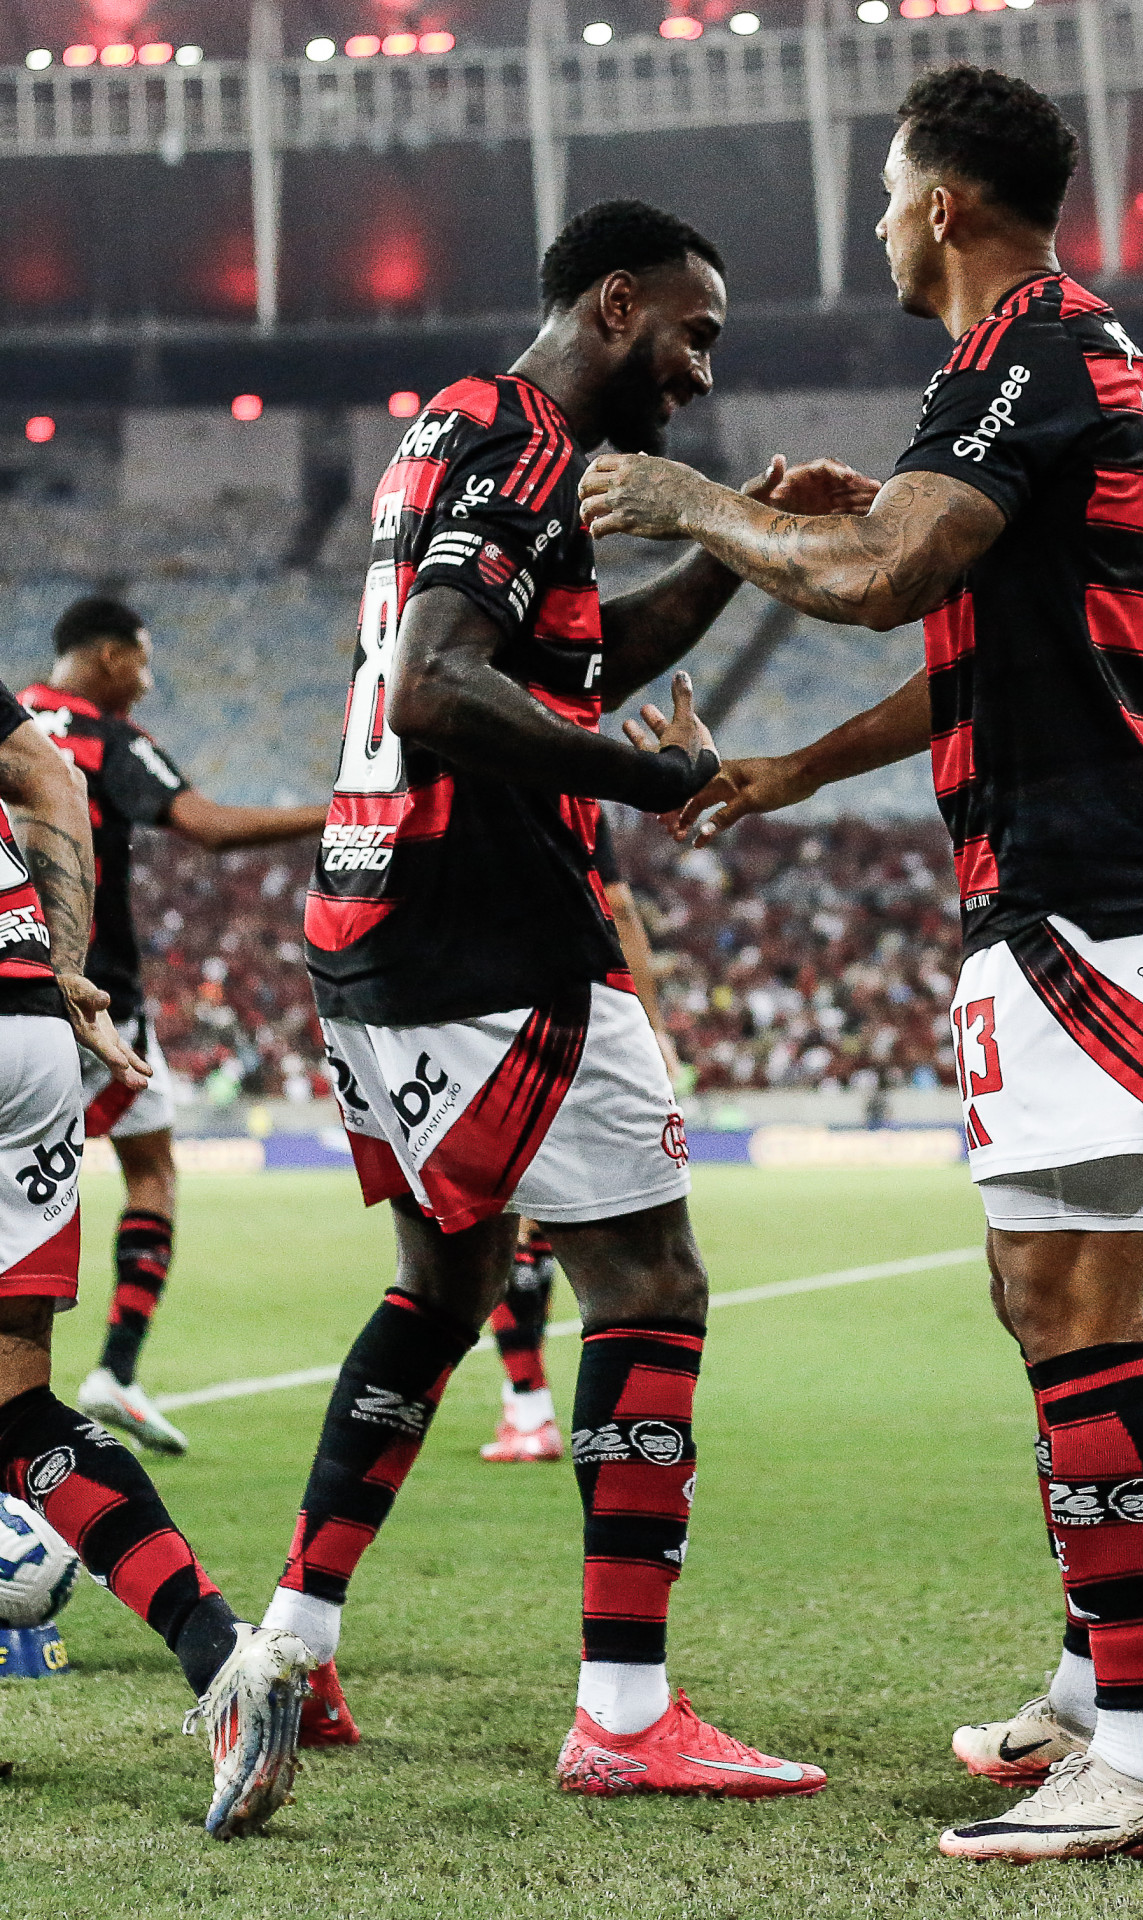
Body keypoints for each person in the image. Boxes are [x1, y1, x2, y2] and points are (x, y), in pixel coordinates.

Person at [578, 70, 1143, 1863]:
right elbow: (964, 628)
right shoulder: (1017, 367)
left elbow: (884, 575)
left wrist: (695, 502)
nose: (877, 224)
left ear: (944, 204)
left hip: (1094, 887)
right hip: (1070, 884)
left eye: (889, 195)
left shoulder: (1031, 347)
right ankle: (1097, 1686)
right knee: (1037, 1301)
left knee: (1080, 1309)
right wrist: (792, 770)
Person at [265, 199, 874, 1790]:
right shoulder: (528, 454)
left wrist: (735, 537)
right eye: (694, 335)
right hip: (496, 936)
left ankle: (293, 1648)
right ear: (618, 303)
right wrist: (646, 780)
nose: (698, 374)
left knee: (446, 1294)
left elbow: (566, 664)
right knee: (650, 1286)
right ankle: (621, 1717)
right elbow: (439, 688)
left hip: (369, 923)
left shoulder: (455, 437)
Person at [0, 678, 310, 1836]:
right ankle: (224, 1660)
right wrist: (68, 964)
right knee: (17, 1408)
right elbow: (50, 775)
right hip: (31, 1021)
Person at [19, 601, 327, 1455]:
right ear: (111, 655)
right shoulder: (102, 737)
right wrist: (341, 814)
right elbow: (209, 827)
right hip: (91, 994)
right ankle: (109, 1369)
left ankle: (105, 1376)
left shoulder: (13, 719)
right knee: (149, 1171)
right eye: (145, 663)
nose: (147, 682)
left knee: (120, 1160)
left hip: (11, 972)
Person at [481, 809, 681, 1466]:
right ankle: (632, 1417)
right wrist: (651, 1028)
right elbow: (618, 906)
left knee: (511, 1219)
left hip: (490, 1016)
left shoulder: (460, 778)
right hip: (590, 1014)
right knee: (590, 1225)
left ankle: (529, 1409)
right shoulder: (566, 788)